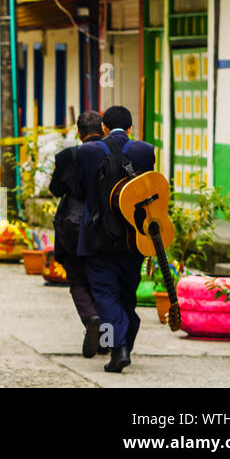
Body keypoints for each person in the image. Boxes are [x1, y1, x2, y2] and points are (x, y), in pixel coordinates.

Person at [70, 104, 156, 373]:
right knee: (126, 293)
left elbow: (78, 190)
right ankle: (124, 343)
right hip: (134, 237)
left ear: (103, 127)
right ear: (131, 128)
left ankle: (117, 347)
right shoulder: (145, 151)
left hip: (98, 237)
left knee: (105, 294)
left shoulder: (86, 152)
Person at [48, 110, 105, 359]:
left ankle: (91, 318)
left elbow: (54, 188)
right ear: (103, 130)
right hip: (103, 227)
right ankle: (106, 339)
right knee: (103, 285)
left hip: (72, 226)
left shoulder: (67, 156)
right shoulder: (112, 153)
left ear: (79, 133)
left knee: (78, 281)